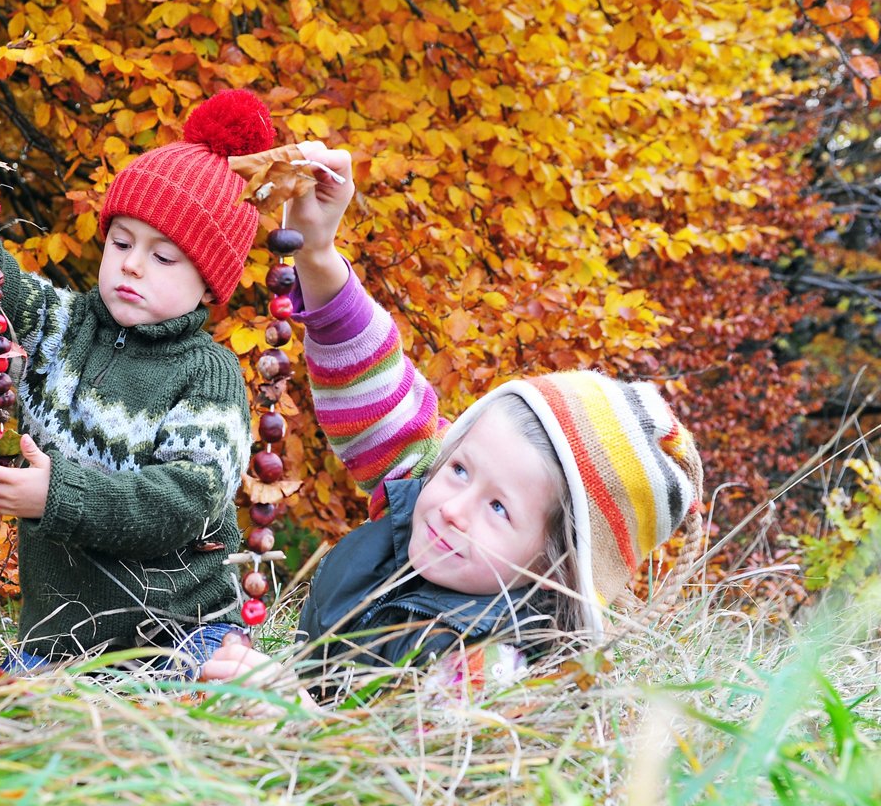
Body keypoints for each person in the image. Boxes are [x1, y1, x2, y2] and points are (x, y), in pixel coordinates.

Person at [201, 142, 706, 711]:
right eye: (461, 468)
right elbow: (374, 389)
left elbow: (401, 776)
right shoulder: (422, 504)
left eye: (499, 509)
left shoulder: (504, 671)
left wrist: (291, 716)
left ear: (552, 569)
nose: (454, 507)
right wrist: (316, 254)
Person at [0, 90, 280, 669]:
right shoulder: (62, 326)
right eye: (122, 242)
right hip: (59, 643)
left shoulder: (207, 375)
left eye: (164, 257)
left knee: (204, 709)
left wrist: (54, 496)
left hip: (183, 633)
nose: (133, 264)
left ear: (210, 284)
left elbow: (184, 501)